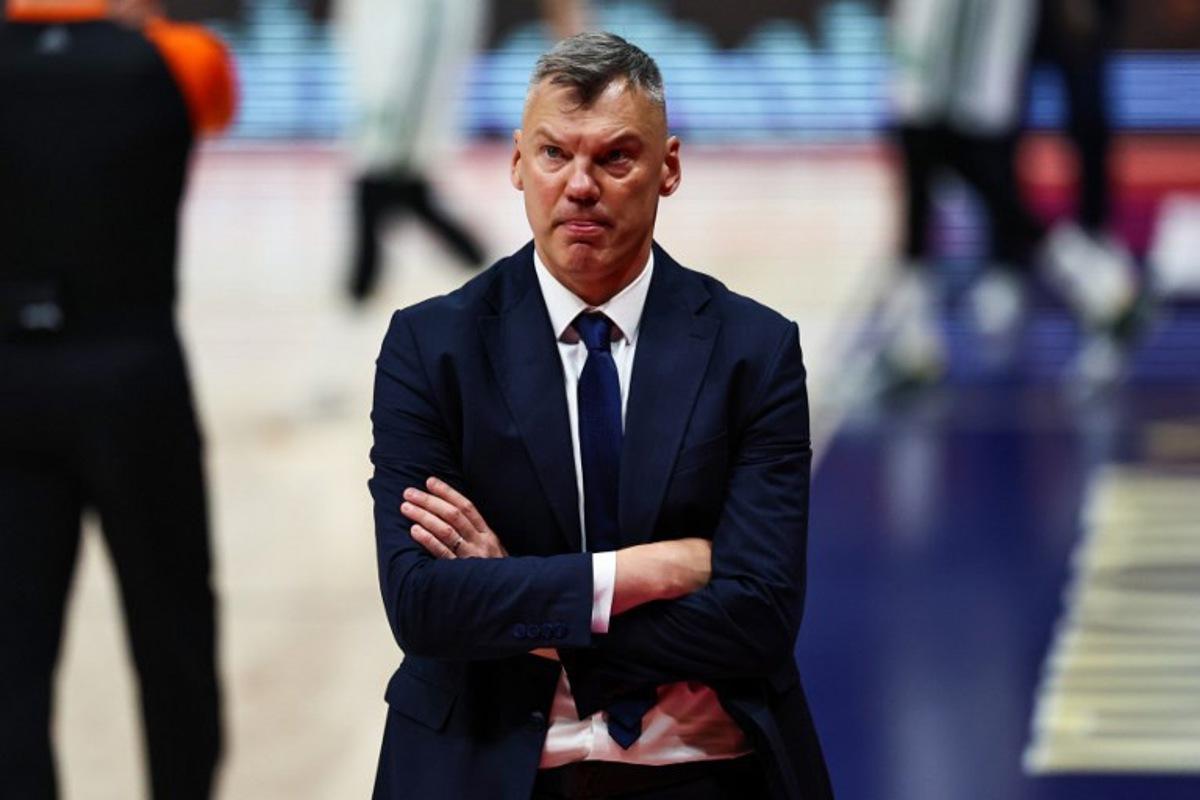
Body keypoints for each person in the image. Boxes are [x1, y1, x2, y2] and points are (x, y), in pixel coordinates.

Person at [368, 32, 832, 800]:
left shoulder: (755, 349)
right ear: (518, 163)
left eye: (615, 158)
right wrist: (646, 572)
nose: (580, 186)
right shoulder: (431, 347)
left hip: (707, 769)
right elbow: (424, 606)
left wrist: (524, 600)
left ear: (669, 167)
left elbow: (760, 614)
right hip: (492, 769)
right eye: (555, 155)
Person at [0, 1, 235, 796]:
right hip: (133, 376)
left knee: (11, 659)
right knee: (173, 631)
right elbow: (221, 109)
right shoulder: (185, 56)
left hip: (9, 377)